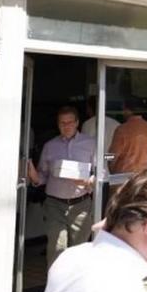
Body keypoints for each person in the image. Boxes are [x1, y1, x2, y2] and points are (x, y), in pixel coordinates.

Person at [27, 105, 96, 268]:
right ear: (57, 124)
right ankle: (56, 288)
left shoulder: (91, 143)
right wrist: (35, 177)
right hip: (54, 205)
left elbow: (101, 172)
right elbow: (43, 174)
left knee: (79, 251)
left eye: (69, 122)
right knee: (57, 247)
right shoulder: (50, 146)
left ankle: (75, 289)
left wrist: (89, 181)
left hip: (81, 205)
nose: (66, 126)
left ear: (77, 123)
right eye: (62, 123)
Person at [108, 96, 147, 175]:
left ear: (128, 110)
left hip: (123, 177)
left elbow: (112, 155)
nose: (123, 112)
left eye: (123, 109)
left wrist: (103, 156)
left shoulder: (122, 129)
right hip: (143, 175)